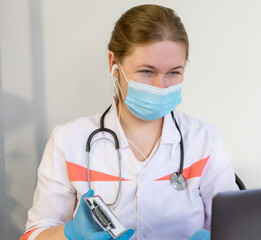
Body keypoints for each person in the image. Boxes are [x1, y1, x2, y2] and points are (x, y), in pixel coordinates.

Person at [21, 4, 238, 240]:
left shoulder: (204, 141)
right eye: (146, 71)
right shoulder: (69, 141)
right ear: (114, 64)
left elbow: (239, 227)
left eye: (174, 72)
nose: (160, 86)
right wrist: (70, 234)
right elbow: (34, 235)